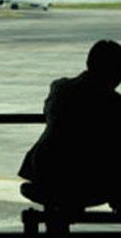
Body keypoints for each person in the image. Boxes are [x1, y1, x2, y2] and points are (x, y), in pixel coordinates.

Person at [19, 39, 121, 211]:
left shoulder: (60, 89)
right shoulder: (113, 104)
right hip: (81, 184)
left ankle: (56, 234)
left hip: (44, 173)